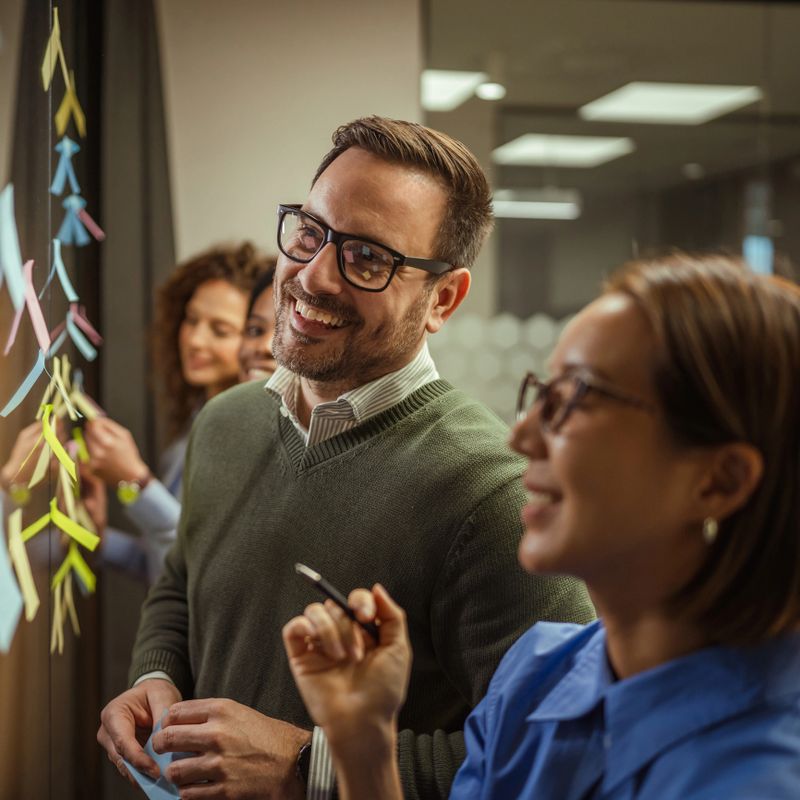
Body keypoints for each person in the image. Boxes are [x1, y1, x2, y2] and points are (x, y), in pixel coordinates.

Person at [97, 116, 594, 800]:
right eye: (309, 232)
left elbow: (561, 752)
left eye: (367, 258)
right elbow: (182, 585)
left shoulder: (493, 494)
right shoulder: (226, 423)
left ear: (442, 298)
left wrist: (311, 765)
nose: (315, 276)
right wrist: (154, 676)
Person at [283, 253, 800, 800]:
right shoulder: (537, 675)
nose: (521, 438)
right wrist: (365, 746)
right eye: (543, 394)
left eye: (577, 397)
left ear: (719, 481)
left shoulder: (763, 775)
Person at [85, 243, 275, 581]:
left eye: (220, 330)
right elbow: (162, 565)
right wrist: (96, 540)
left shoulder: (265, 442)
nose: (195, 340)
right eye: (191, 320)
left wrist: (134, 482)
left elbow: (209, 568)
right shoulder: (192, 430)